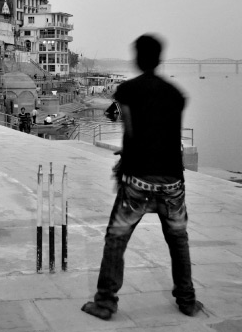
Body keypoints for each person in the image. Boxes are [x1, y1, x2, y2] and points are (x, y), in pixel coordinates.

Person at [82, 34, 203, 321]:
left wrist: (123, 165)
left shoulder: (127, 91)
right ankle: (187, 300)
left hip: (139, 180)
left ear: (137, 58)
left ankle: (105, 302)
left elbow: (132, 133)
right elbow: (167, 135)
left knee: (116, 238)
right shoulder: (176, 94)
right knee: (178, 240)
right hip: (173, 178)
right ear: (160, 59)